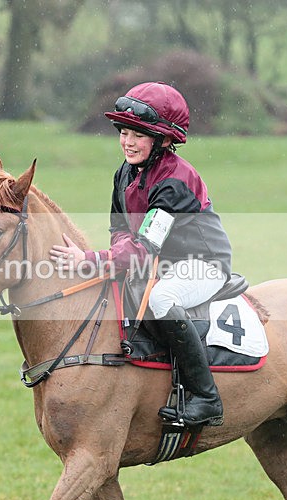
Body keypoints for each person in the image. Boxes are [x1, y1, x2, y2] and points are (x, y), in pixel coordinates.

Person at [49, 81, 232, 426]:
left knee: (161, 300)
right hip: (160, 262)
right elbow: (120, 231)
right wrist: (113, 259)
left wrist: (88, 262)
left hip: (202, 265)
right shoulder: (125, 172)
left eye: (138, 135)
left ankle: (206, 397)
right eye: (123, 132)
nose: (127, 142)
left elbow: (143, 247)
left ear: (164, 140)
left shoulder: (176, 180)